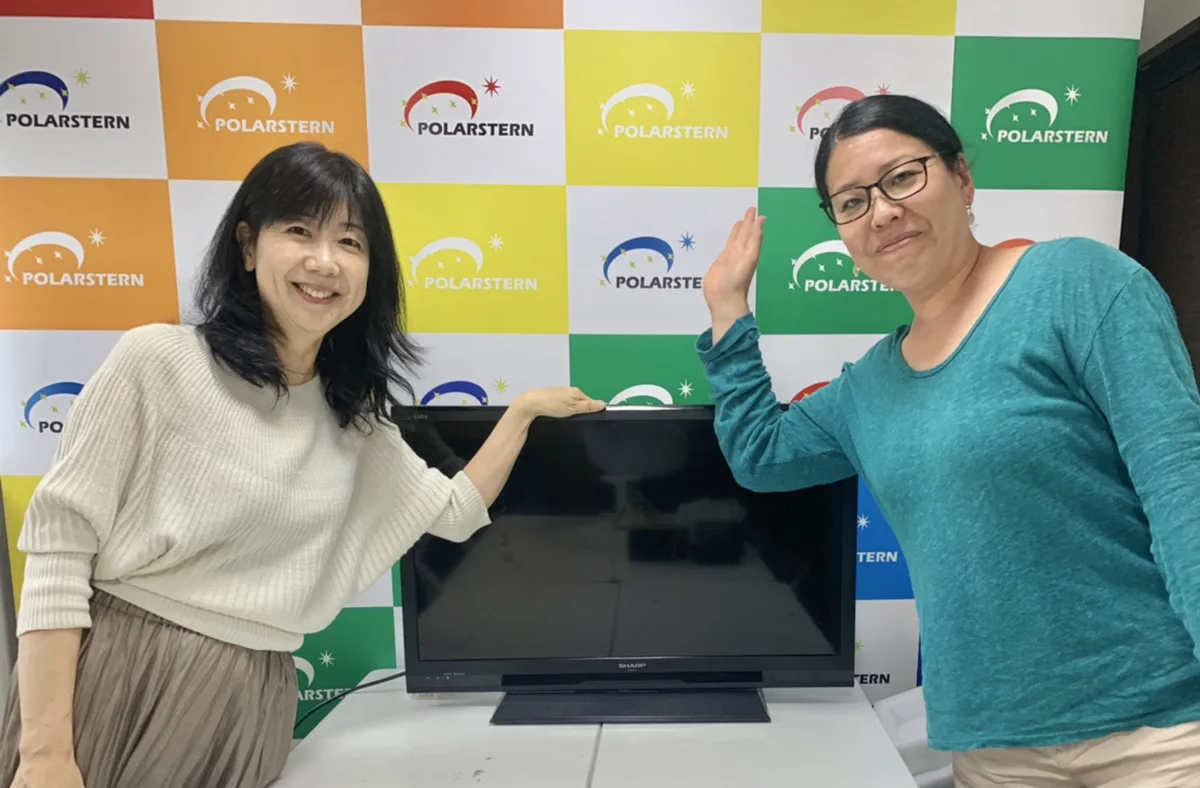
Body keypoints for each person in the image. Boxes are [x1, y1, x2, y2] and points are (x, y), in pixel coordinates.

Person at [0, 140, 605, 788]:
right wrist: (45, 754)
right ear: (248, 245)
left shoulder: (353, 419)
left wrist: (522, 412)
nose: (325, 261)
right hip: (122, 675)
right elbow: (60, 550)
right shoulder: (157, 361)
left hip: (255, 702)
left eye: (350, 241)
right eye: (299, 231)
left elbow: (455, 512)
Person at [697, 93, 1200, 787]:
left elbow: (1182, 490)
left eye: (902, 177)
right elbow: (759, 455)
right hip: (993, 749)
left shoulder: (1078, 283)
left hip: (1159, 734)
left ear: (962, 176)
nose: (881, 212)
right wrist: (727, 305)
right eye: (851, 202)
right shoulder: (869, 386)